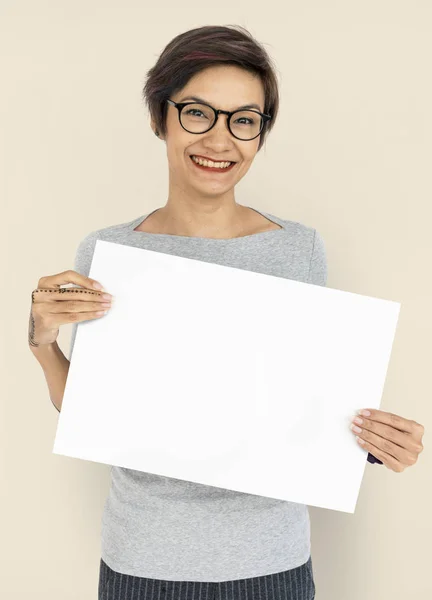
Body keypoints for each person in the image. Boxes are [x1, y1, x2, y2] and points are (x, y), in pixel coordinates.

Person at [29, 25, 425, 600]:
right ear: (158, 117)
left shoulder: (299, 250)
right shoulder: (107, 252)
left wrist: (373, 442)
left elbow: (302, 404)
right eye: (197, 113)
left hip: (272, 560)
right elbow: (93, 412)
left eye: (244, 120)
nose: (220, 140)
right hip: (143, 559)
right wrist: (42, 344)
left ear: (260, 134)